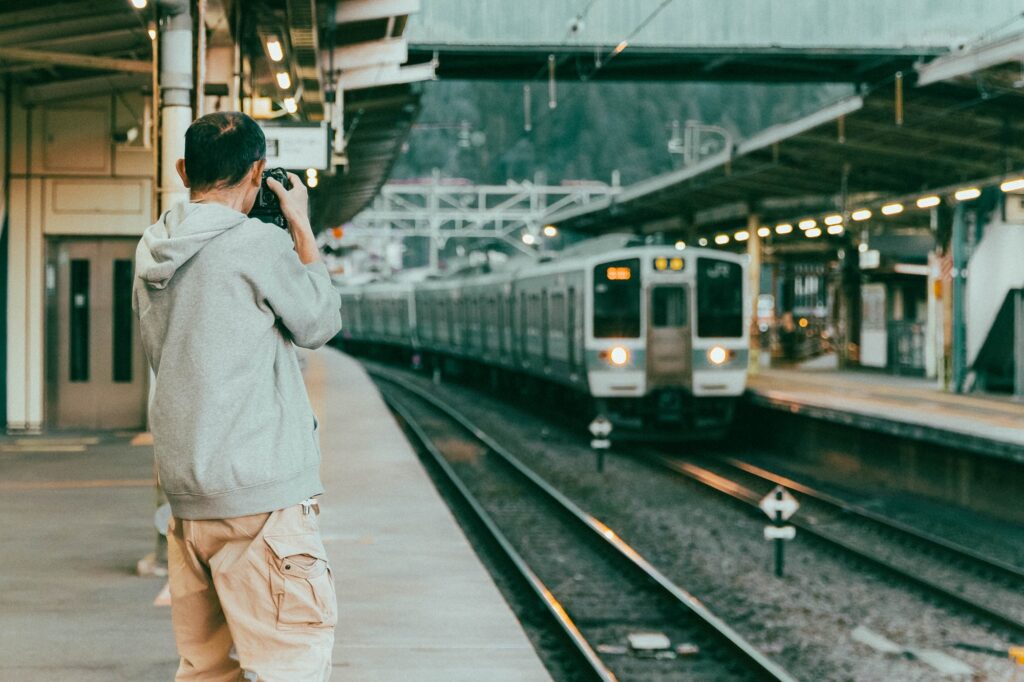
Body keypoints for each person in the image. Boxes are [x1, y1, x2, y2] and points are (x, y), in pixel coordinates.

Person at [132, 111, 343, 681]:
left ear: (183, 170)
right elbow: (319, 323)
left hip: (187, 499)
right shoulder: (258, 245)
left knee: (205, 670)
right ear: (258, 170)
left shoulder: (152, 247)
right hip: (260, 498)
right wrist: (299, 225)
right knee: (289, 665)